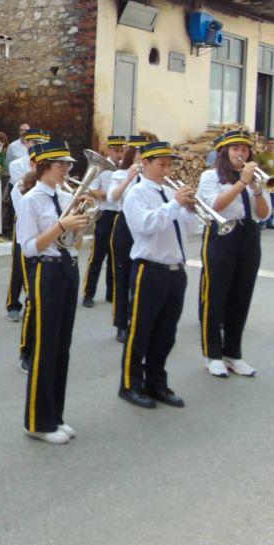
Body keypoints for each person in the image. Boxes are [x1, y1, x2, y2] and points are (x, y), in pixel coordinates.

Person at [16, 141, 89, 444]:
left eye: (69, 165)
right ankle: (37, 420)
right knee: (45, 346)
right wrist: (61, 226)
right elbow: (29, 246)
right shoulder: (31, 199)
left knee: (62, 345)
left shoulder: (65, 196)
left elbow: (75, 242)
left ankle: (55, 415)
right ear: (46, 166)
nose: (68, 170)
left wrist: (80, 222)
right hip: (45, 270)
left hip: (67, 267)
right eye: (62, 165)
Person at [118, 140, 196, 410]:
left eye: (169, 164)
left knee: (166, 333)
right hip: (149, 270)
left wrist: (189, 210)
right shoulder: (137, 194)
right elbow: (145, 226)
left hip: (176, 271)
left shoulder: (169, 193)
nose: (166, 169)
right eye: (161, 164)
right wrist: (175, 205)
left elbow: (187, 229)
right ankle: (130, 384)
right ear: (146, 164)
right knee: (140, 332)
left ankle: (157, 383)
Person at [197, 131, 270, 379]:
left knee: (242, 295)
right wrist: (241, 183)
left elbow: (264, 214)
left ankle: (233, 353)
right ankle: (212, 354)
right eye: (235, 148)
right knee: (215, 295)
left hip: (249, 234)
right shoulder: (210, 176)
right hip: (221, 233)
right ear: (224, 153)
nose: (241, 153)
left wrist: (258, 190)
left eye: (245, 149)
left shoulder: (255, 179)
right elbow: (213, 205)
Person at [6, 129, 48, 323]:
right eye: (34, 142)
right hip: (24, 222)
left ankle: (37, 300)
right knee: (19, 263)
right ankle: (13, 304)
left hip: (44, 225)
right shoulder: (17, 167)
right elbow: (22, 206)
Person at [107, 136, 147, 342]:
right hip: (124, 225)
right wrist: (128, 178)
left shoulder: (150, 177)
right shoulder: (121, 173)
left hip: (145, 226)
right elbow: (112, 197)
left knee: (141, 278)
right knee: (122, 276)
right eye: (140, 152)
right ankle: (121, 323)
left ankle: (138, 320)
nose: (143, 156)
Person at [81, 135, 125, 307]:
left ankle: (111, 293)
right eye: (116, 151)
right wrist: (111, 195)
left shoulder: (124, 170)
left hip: (119, 215)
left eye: (122, 151)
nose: (119, 154)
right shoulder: (102, 168)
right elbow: (92, 190)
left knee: (116, 256)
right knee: (97, 256)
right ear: (109, 150)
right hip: (105, 213)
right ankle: (88, 294)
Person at [255, 137, 274, 230]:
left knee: (272, 203)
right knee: (264, 201)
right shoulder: (261, 155)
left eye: (273, 143)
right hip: (263, 182)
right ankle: (262, 221)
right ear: (266, 144)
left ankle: (270, 222)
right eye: (269, 143)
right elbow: (256, 168)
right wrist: (264, 167)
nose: (271, 145)